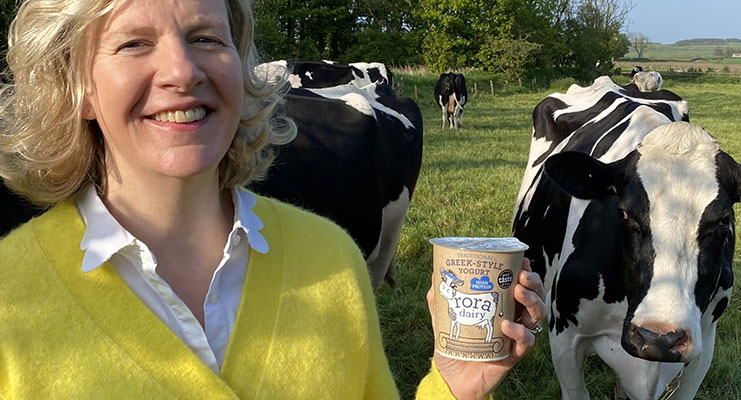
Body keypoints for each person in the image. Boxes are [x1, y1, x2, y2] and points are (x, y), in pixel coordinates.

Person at [0, 0, 547, 398]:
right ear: (80, 88)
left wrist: (456, 386)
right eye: (134, 43)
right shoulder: (10, 295)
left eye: (207, 38)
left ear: (241, 67)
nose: (182, 72)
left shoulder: (330, 259)